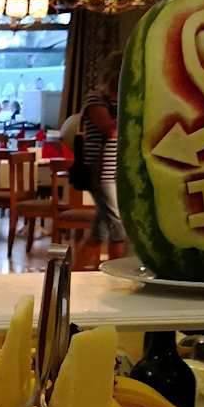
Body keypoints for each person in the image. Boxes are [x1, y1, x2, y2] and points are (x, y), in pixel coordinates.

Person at [76, 52, 127, 269]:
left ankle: (75, 271)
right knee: (117, 225)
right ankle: (117, 274)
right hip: (101, 172)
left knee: (100, 230)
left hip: (115, 172)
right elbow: (110, 130)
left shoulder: (122, 100)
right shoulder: (96, 98)